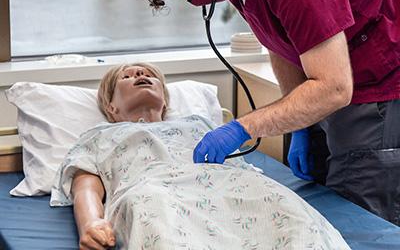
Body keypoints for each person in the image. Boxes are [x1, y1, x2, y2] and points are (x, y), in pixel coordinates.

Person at [133, 0, 400, 225]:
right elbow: (280, 40)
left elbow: (335, 88)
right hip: (337, 75)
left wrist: (242, 128)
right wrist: (301, 127)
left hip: (380, 83)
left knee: (357, 213)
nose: (194, 0)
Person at [51, 63, 350, 250]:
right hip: (154, 192)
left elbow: (239, 165)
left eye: (148, 74)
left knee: (291, 215)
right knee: (160, 220)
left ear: (165, 99)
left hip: (232, 186)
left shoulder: (201, 124)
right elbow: (85, 186)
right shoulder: (101, 135)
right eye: (127, 77)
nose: (140, 74)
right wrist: (91, 223)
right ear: (111, 107)